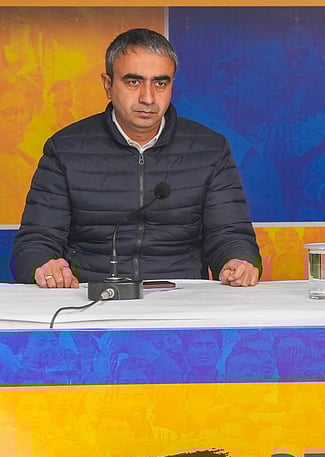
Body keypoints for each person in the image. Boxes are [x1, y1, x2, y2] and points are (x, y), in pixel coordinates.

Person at [10, 28, 261, 288]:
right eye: (133, 82)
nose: (148, 98)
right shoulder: (65, 149)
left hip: (182, 302)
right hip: (89, 300)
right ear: (108, 85)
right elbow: (36, 241)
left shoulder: (210, 149)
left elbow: (230, 235)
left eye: (160, 83)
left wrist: (237, 261)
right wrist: (44, 266)